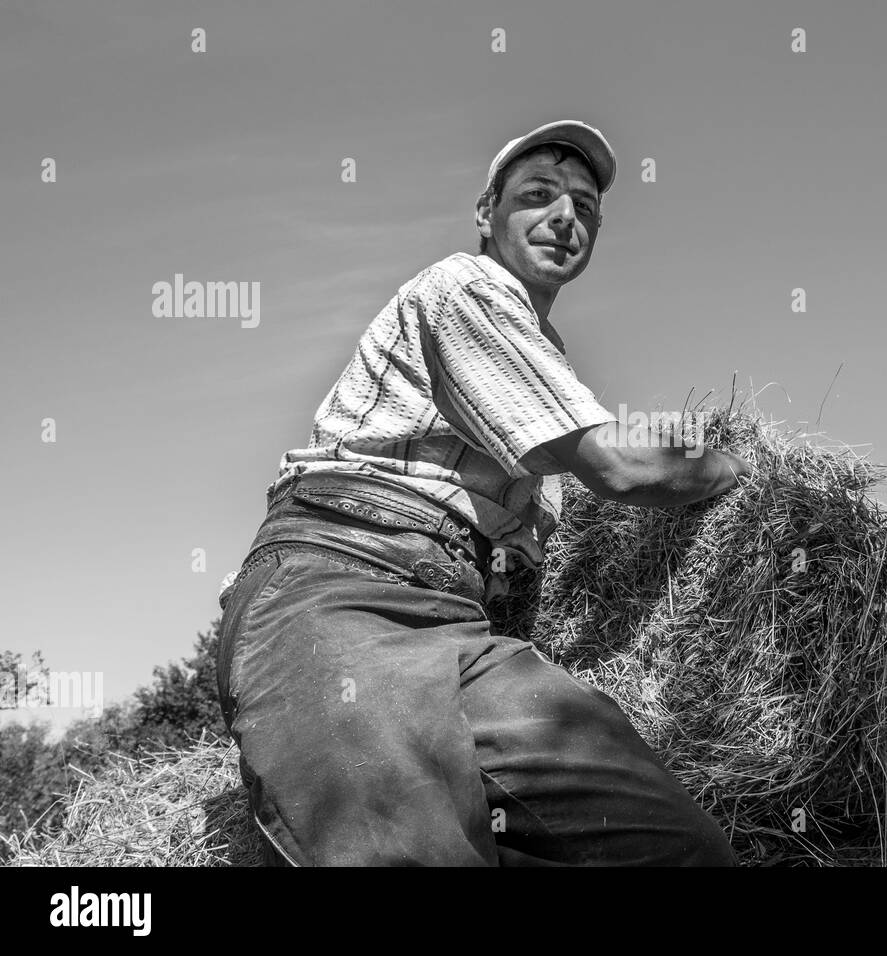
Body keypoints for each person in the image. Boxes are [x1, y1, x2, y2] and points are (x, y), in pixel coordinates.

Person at [216, 120, 751, 866]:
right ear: (486, 214)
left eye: (585, 208)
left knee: (681, 850)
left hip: (461, 631)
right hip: (342, 591)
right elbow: (622, 467)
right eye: (538, 195)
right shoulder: (465, 288)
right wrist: (739, 469)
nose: (566, 217)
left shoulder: (538, 366)